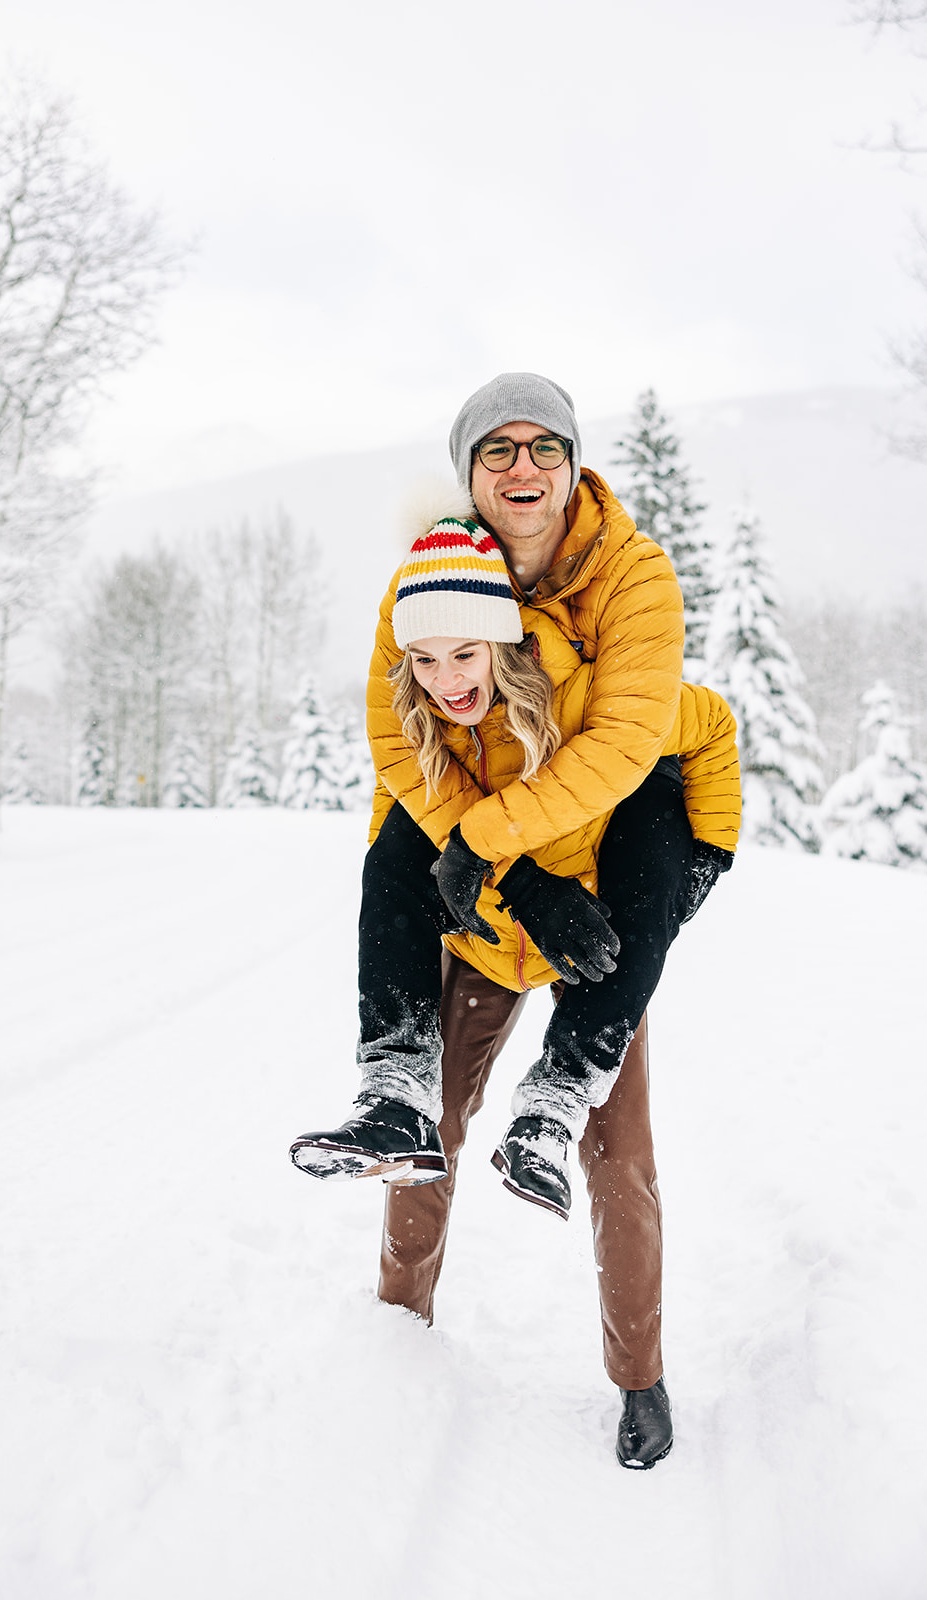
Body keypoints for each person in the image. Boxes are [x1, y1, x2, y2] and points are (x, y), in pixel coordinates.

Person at [291, 416, 740, 1466]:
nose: (452, 675)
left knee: (617, 1156)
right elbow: (400, 802)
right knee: (429, 1126)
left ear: (516, 639)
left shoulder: (595, 685)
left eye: (544, 448)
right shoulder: (431, 665)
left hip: (596, 937)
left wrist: (701, 858)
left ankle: (640, 1376)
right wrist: (500, 884)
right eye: (497, 450)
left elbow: (682, 734)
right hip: (490, 932)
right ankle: (396, 1332)